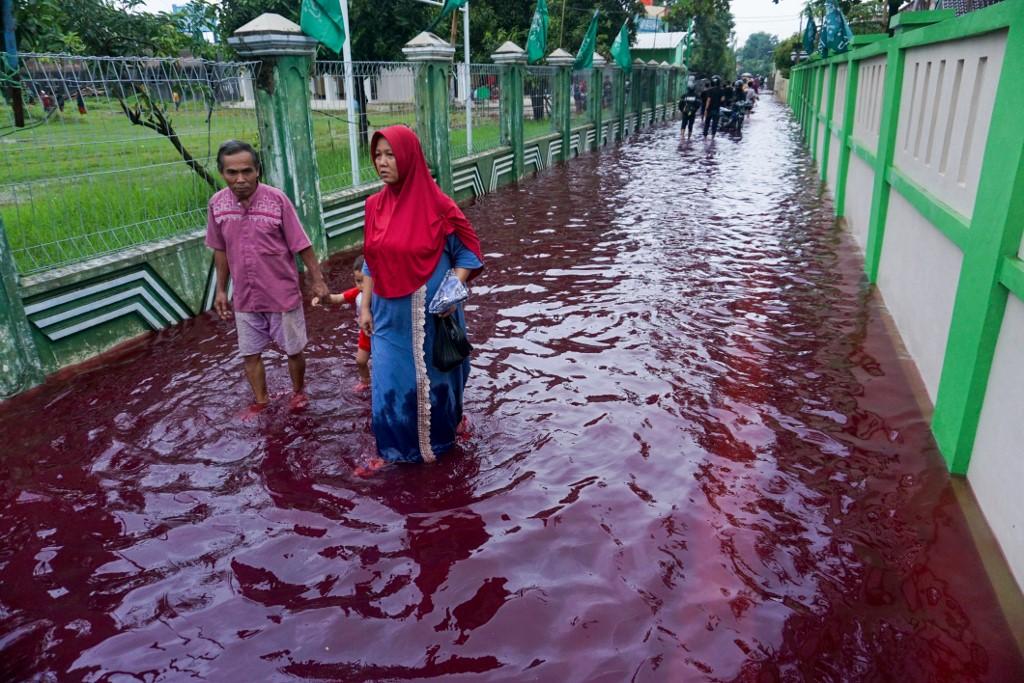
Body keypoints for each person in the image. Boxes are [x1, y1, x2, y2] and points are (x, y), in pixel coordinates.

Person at [358, 125, 484, 465]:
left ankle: (442, 443)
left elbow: (469, 255)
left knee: (440, 382)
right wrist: (365, 307)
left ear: (409, 158)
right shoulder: (374, 207)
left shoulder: (439, 207)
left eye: (390, 155)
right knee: (388, 384)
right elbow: (371, 260)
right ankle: (392, 452)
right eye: (377, 155)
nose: (382, 162)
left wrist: (451, 292)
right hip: (388, 319)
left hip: (433, 318)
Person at [205, 139, 329, 415]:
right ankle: (261, 400)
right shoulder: (217, 205)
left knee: (294, 350)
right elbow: (220, 249)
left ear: (257, 170)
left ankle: (298, 392)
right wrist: (222, 291)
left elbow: (302, 244)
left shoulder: (277, 200)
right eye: (232, 172)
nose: (240, 179)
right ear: (222, 173)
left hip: (281, 293)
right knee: (249, 353)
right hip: (245, 297)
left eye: (247, 171)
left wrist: (317, 279)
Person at [312, 254, 372, 390]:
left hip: (381, 332)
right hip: (365, 332)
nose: (361, 285)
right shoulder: (357, 293)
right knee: (360, 361)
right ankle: (365, 381)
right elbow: (338, 298)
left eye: (365, 281)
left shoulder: (381, 294)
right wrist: (322, 298)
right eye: (358, 281)